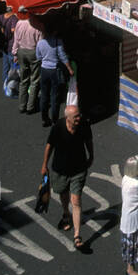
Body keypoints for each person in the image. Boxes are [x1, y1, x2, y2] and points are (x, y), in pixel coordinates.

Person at [41, 105, 93, 251]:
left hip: (79, 169)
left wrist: (91, 156)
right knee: (63, 193)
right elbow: (49, 146)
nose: (79, 118)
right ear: (67, 119)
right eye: (76, 116)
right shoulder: (58, 127)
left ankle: (77, 236)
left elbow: (88, 140)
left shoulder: (84, 125)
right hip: (60, 170)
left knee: (76, 200)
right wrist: (44, 165)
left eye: (79, 115)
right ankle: (65, 213)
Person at [36, 25, 72, 127]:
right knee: (54, 95)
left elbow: (38, 57)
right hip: (54, 70)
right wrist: (69, 68)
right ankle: (55, 119)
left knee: (44, 95)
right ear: (54, 32)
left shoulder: (40, 42)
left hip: (44, 70)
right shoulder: (57, 41)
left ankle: (44, 118)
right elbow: (63, 56)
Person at [13, 12, 43, 114]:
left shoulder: (20, 23)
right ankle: (30, 106)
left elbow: (16, 39)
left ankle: (22, 105)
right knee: (34, 80)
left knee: (23, 79)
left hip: (21, 51)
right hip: (33, 52)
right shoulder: (39, 25)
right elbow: (40, 44)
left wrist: (14, 52)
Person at [0, 4, 18, 97]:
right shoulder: (13, 18)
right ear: (13, 10)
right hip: (11, 47)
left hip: (4, 46)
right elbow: (13, 30)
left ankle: (5, 86)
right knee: (14, 69)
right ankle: (11, 89)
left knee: (5, 67)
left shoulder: (1, 17)